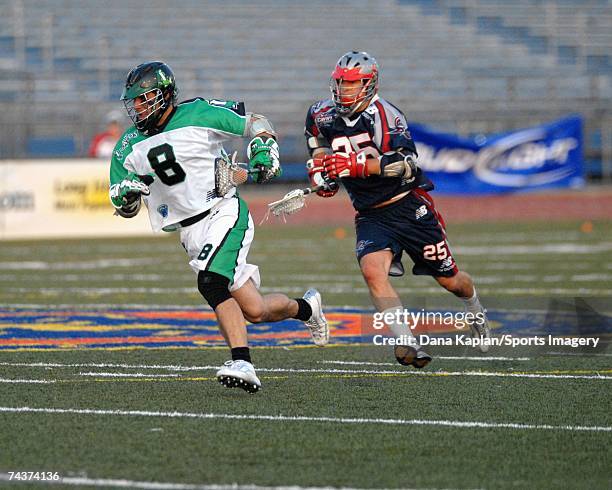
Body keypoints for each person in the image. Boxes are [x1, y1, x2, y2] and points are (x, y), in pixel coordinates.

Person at [109, 61, 328, 393]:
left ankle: (242, 361)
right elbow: (125, 205)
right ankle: (307, 307)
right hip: (189, 232)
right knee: (255, 310)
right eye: (135, 101)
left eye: (145, 98)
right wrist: (125, 200)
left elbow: (257, 122)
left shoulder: (199, 112)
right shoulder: (126, 146)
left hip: (223, 210)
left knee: (211, 283)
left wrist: (263, 146)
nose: (138, 106)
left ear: (165, 95)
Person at [304, 51, 491, 367]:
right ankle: (407, 342)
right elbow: (316, 142)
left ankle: (475, 308)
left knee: (451, 281)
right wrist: (323, 174)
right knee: (371, 271)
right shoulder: (321, 112)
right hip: (371, 212)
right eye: (340, 84)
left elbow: (406, 164)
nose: (343, 91)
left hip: (408, 206)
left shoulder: (386, 116)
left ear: (369, 84)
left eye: (351, 84)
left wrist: (357, 165)